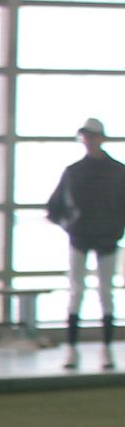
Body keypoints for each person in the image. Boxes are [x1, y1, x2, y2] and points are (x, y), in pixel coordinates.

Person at [45, 117, 124, 371]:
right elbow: (54, 206)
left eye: (93, 136)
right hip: (83, 237)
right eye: (86, 136)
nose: (89, 141)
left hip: (105, 238)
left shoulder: (116, 171)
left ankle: (105, 349)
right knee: (78, 292)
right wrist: (70, 224)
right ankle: (73, 348)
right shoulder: (76, 171)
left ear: (101, 138)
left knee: (104, 293)